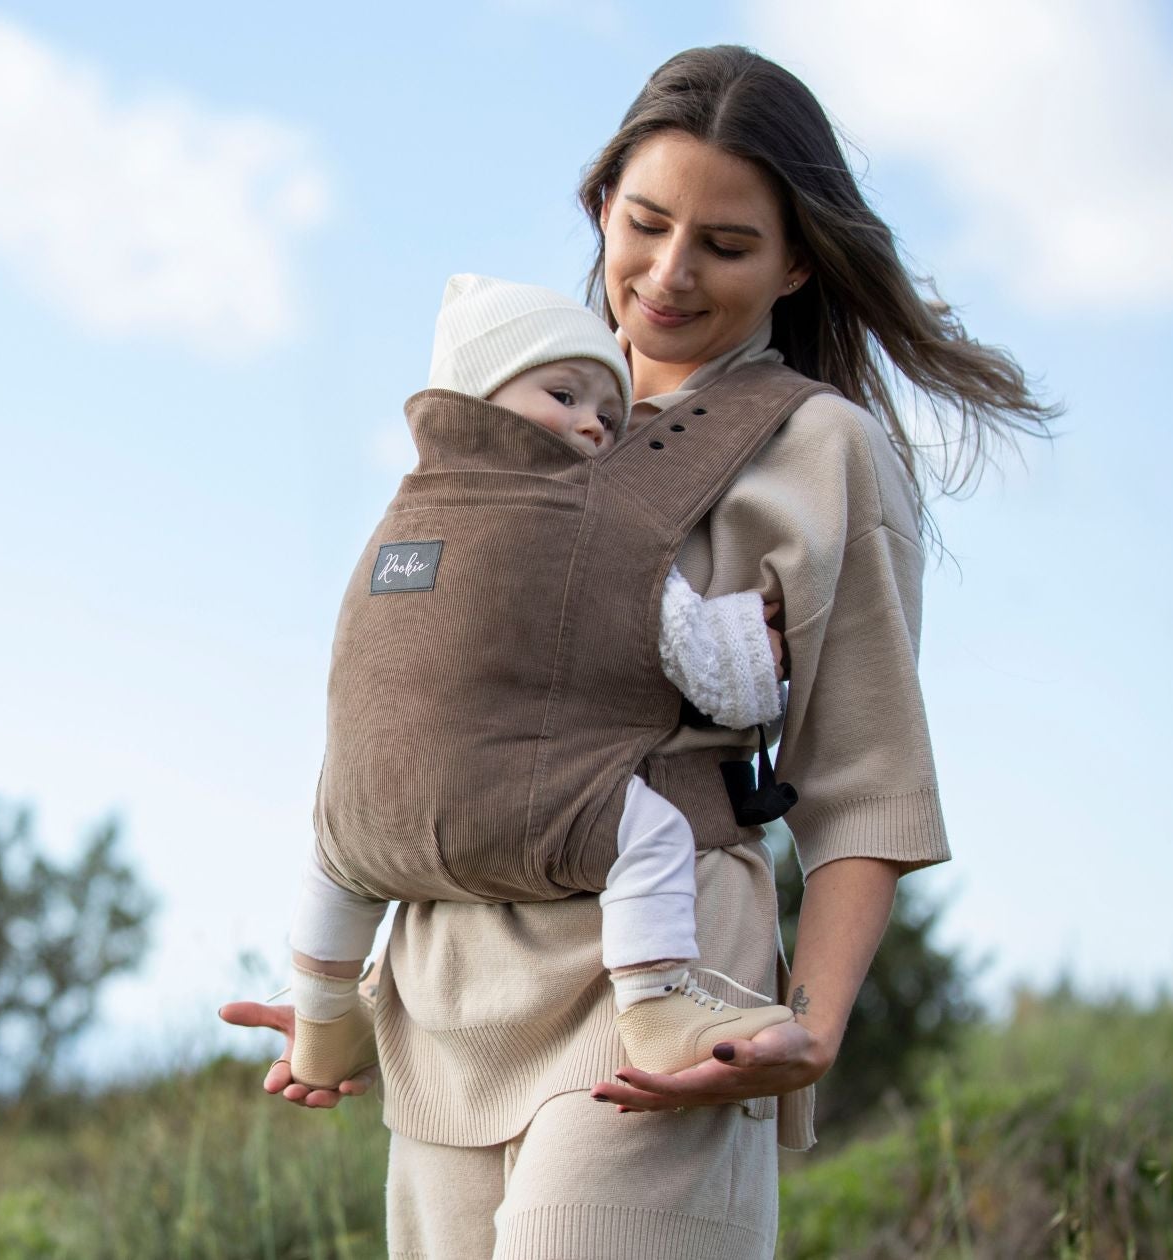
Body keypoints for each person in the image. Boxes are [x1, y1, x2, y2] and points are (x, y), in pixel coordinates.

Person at [220, 44, 1056, 1258]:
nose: (667, 275)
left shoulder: (821, 451)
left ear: (795, 262)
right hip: (447, 992)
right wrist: (333, 983)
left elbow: (863, 775)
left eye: (723, 245)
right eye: (645, 224)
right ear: (599, 204)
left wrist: (810, 1025)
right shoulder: (495, 423)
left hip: (661, 985)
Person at [284, 274, 795, 1094]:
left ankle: (320, 1018)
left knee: (331, 861)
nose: (593, 423)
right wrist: (758, 652)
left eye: (611, 415)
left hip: (368, 814)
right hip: (527, 809)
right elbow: (703, 662)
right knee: (653, 838)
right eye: (564, 395)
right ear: (479, 394)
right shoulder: (592, 522)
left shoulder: (398, 522)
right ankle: (657, 1009)